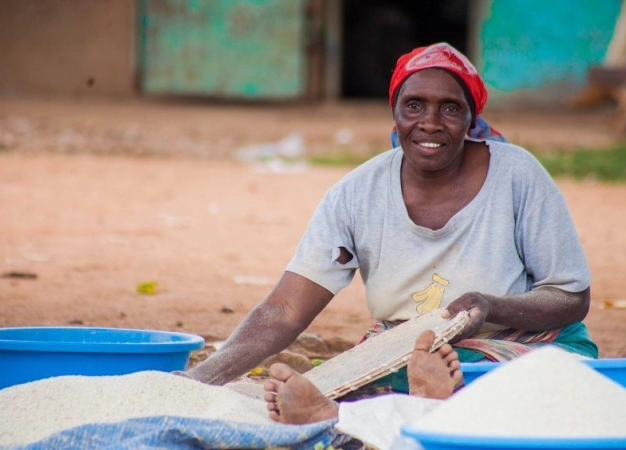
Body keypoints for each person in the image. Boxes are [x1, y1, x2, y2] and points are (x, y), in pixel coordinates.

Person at [182, 42, 597, 419]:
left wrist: (489, 306)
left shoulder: (517, 174)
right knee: (373, 374)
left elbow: (570, 296)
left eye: (450, 108)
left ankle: (363, 410)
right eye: (414, 106)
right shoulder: (356, 194)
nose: (430, 123)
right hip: (403, 354)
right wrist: (198, 381)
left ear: (472, 118)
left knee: (549, 383)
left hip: (522, 343)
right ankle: (412, 400)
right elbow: (286, 309)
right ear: (394, 113)